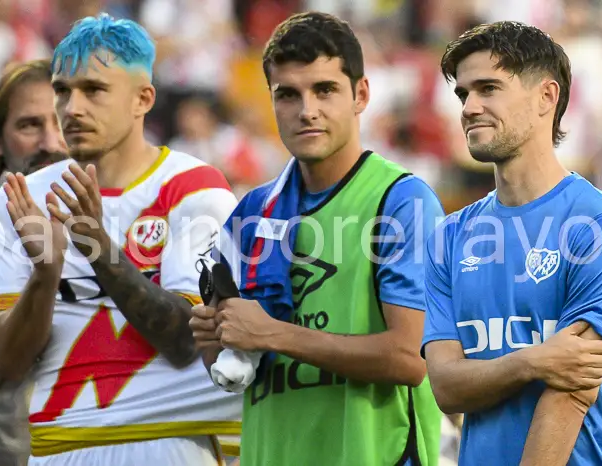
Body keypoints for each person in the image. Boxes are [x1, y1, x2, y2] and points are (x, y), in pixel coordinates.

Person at [0, 14, 242, 466]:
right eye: (63, 90)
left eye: (94, 90)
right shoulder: (23, 198)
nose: (72, 108)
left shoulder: (194, 187)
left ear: (143, 99)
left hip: (170, 445)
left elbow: (186, 342)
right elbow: (8, 362)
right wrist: (46, 275)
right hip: (56, 450)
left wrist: (99, 249)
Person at [189, 11, 444, 466]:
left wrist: (275, 334)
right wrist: (215, 337)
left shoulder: (400, 200)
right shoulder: (250, 212)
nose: (307, 110)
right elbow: (231, 365)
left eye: (324, 90)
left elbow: (411, 357)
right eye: (288, 94)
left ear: (361, 94)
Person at [421, 22, 602, 466]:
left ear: (547, 97)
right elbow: (446, 388)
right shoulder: (448, 238)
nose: (469, 107)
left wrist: (523, 366)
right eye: (463, 94)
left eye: (489, 88)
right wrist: (530, 361)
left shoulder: (600, 227)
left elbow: (571, 389)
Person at [0, 59, 68, 466]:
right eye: (29, 125)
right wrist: (9, 339)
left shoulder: (130, 235)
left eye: (61, 123)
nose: (50, 142)